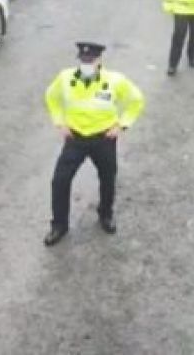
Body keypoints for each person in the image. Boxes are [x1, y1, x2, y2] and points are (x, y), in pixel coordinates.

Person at [43, 42, 145, 246]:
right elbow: (51, 97)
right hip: (76, 138)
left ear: (99, 61)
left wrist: (122, 126)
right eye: (83, 61)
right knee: (59, 181)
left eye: (91, 61)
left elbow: (136, 100)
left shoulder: (115, 81)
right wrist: (59, 122)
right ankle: (59, 225)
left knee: (108, 178)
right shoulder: (66, 78)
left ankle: (106, 214)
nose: (87, 64)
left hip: (103, 138)